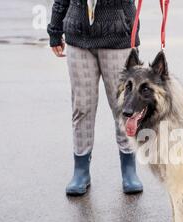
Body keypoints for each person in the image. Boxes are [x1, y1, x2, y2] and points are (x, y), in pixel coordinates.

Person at [47, 0, 143, 195]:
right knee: (82, 107)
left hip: (119, 36)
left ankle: (129, 168)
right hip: (78, 36)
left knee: (124, 107)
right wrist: (55, 30)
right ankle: (81, 170)